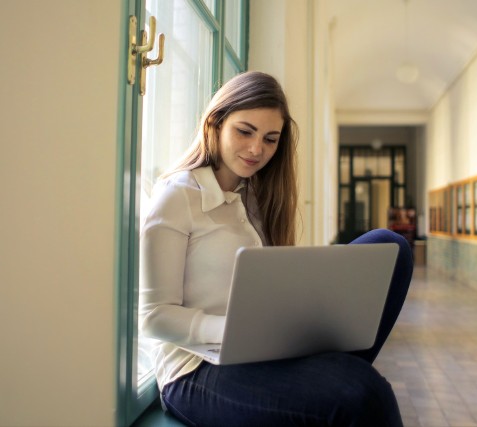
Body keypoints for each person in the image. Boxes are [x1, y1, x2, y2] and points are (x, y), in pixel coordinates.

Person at [139, 71, 414, 427]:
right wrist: (236, 331)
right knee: (361, 390)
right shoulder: (177, 196)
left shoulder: (256, 197)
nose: (257, 149)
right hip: (195, 371)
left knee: (392, 247)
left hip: (262, 350)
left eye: (271, 139)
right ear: (215, 125)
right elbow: (153, 317)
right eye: (245, 131)